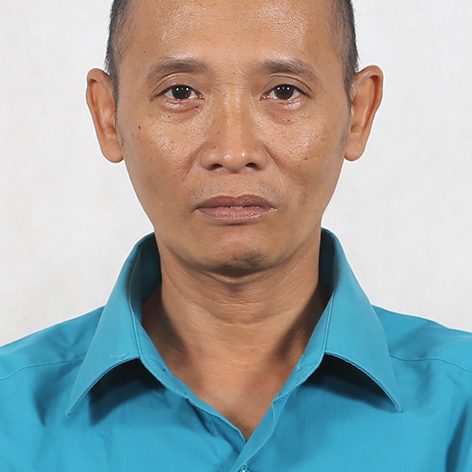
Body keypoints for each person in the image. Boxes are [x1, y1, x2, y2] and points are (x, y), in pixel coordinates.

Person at [1, 0, 471, 470]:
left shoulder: (461, 406)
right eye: (181, 92)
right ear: (108, 115)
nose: (233, 151)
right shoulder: (11, 415)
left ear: (358, 112)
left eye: (284, 91)